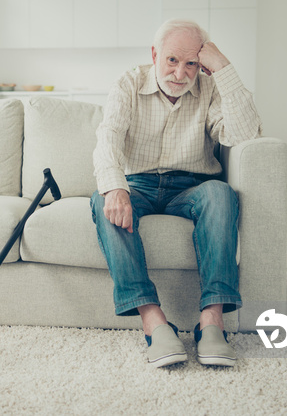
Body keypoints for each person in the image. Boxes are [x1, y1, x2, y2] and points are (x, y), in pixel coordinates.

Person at [91, 19, 262, 368]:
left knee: (220, 194)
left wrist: (224, 69)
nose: (181, 74)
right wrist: (114, 188)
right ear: (154, 54)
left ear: (202, 64)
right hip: (137, 184)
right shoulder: (128, 83)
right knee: (103, 200)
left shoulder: (210, 87)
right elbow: (107, 138)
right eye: (171, 60)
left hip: (192, 187)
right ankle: (154, 322)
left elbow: (244, 136)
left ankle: (212, 323)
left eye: (191, 64)